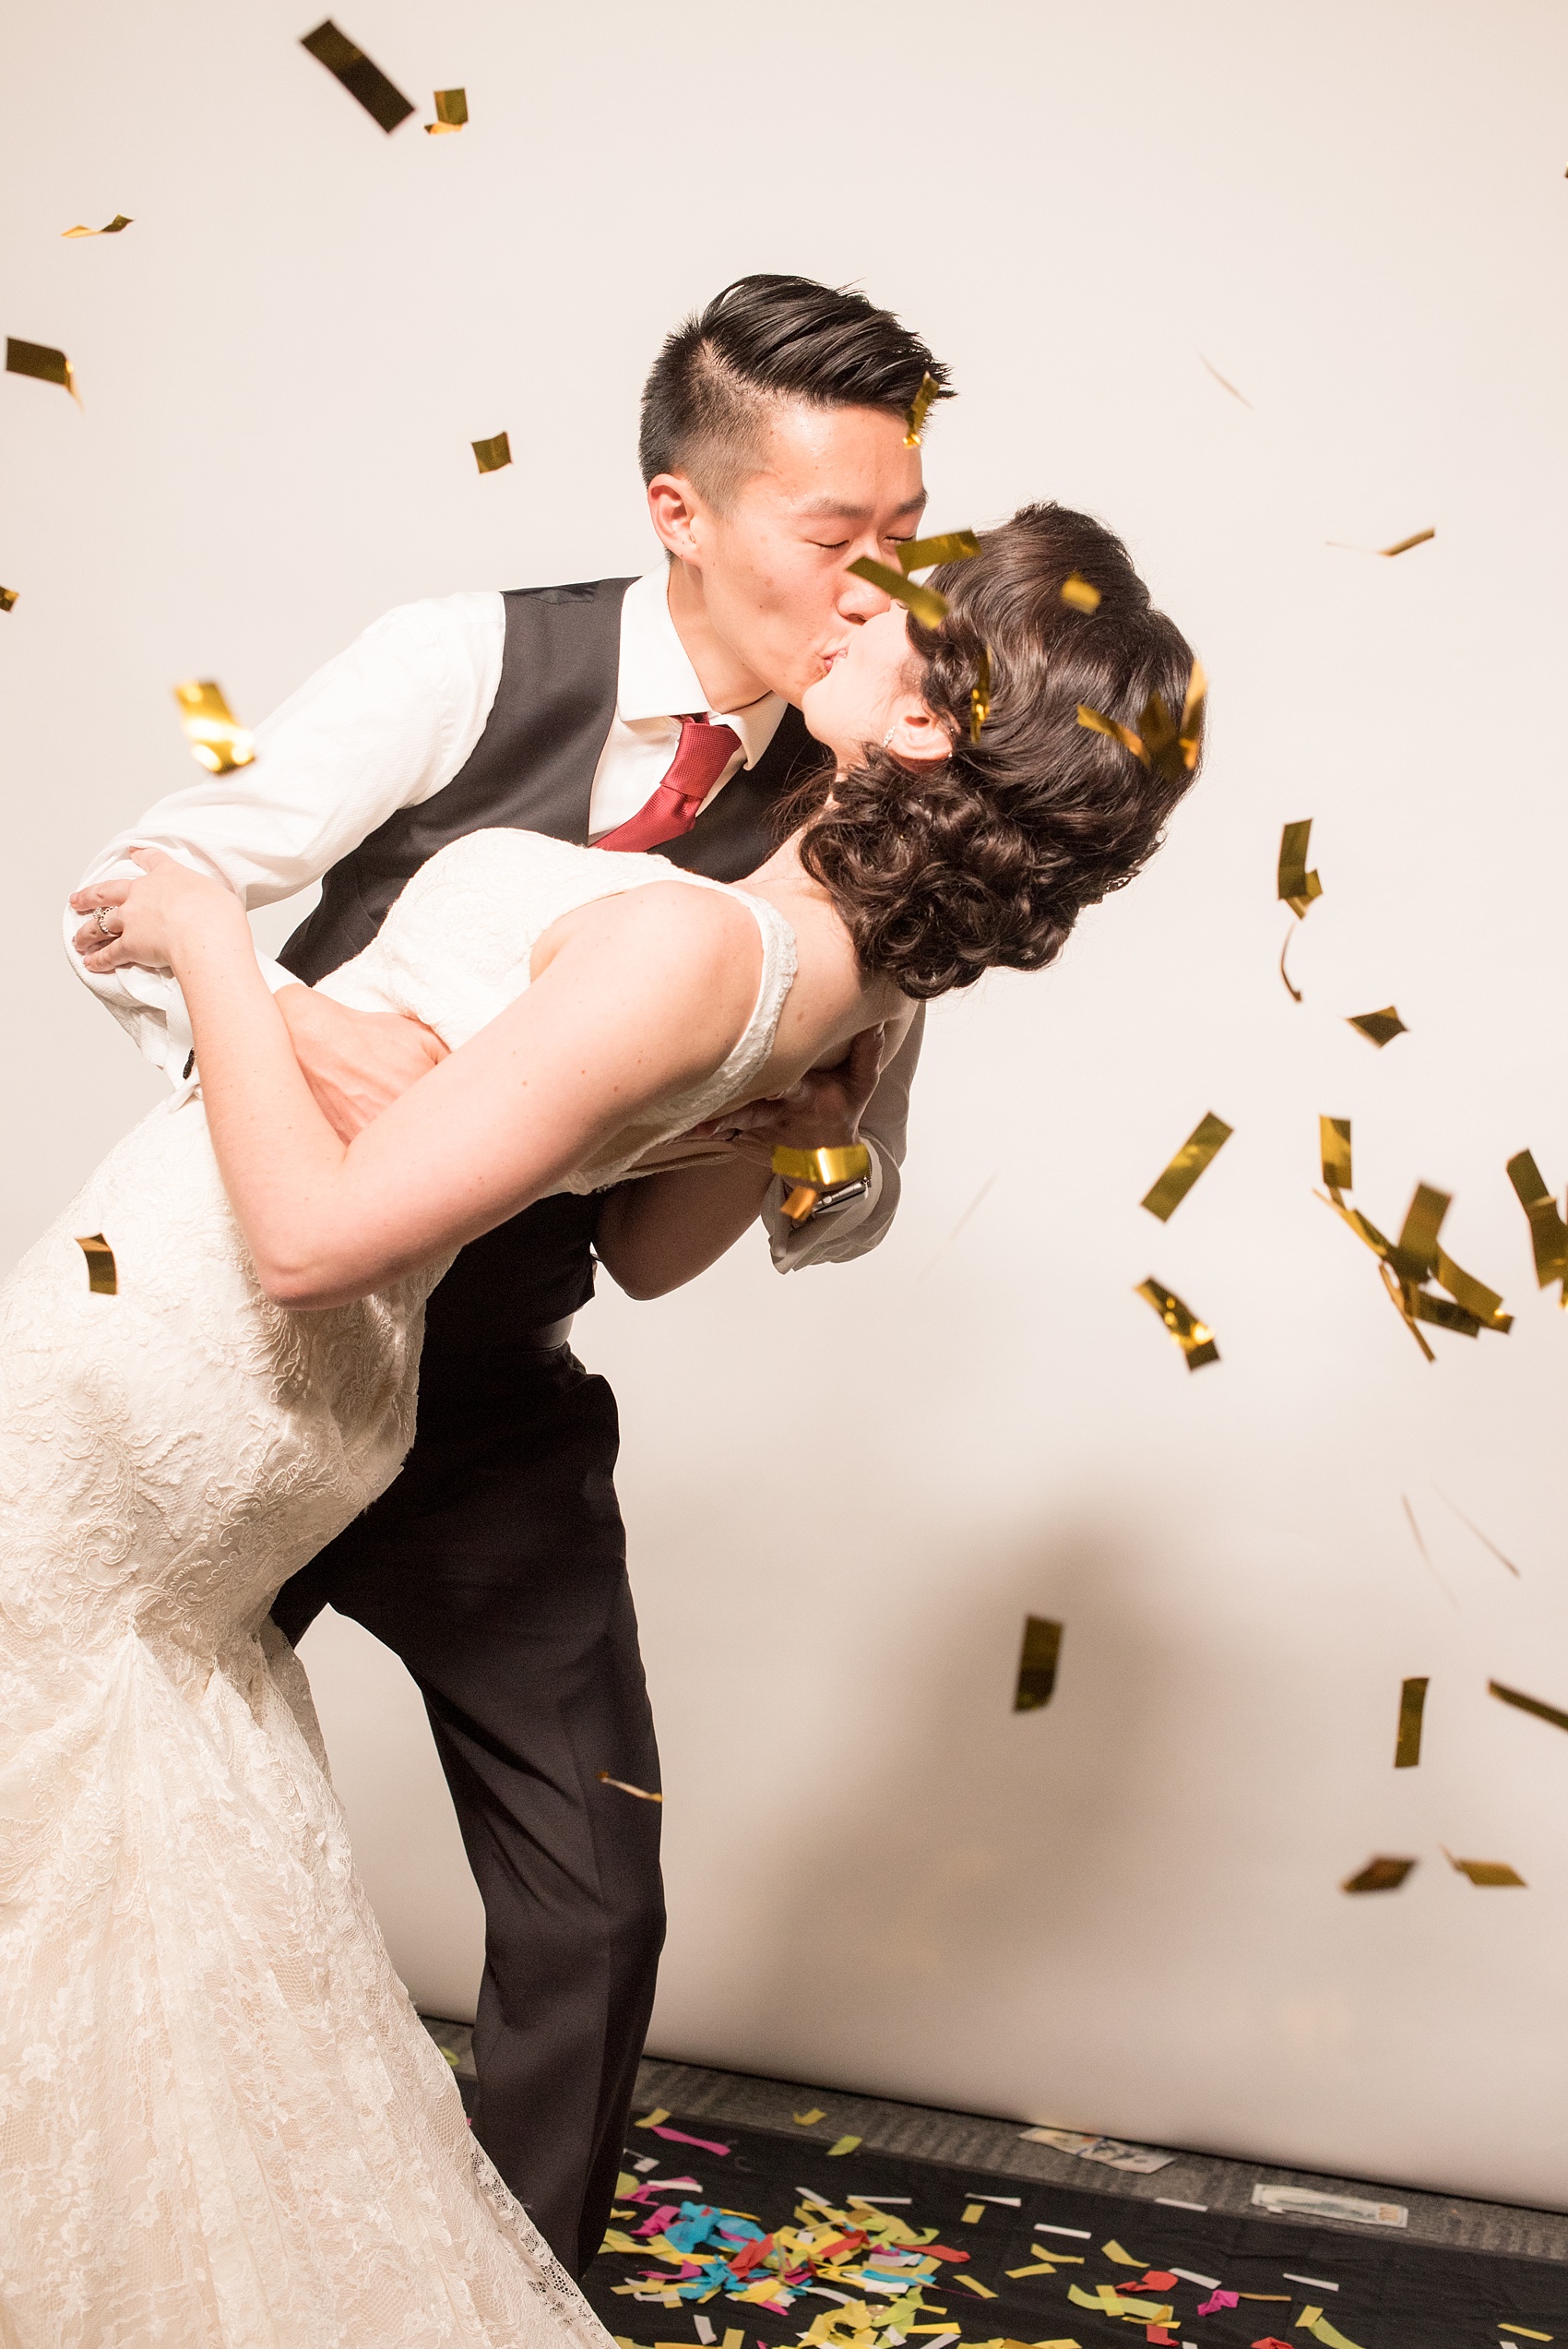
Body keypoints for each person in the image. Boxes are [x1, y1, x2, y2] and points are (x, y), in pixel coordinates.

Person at [8, 496, 1199, 2335]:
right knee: (103, 1798)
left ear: (923, 724)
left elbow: (321, 1237)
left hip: (200, 1343)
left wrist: (213, 947)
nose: (861, 596)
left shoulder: (711, 952)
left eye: (907, 596)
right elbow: (647, 1235)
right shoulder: (836, 973)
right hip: (284, 1385)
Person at [65, 274, 950, 2281]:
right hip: (249, 1353)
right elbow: (133, 892)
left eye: (909, 536)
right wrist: (273, 1040)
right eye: (839, 541)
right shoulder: (461, 661)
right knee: (84, 1797)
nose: (883, 592)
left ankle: (511, 2299)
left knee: (594, 1898)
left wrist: (814, 1114)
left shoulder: (864, 809)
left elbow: (811, 1213)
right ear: (681, 512)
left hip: (482, 1400)